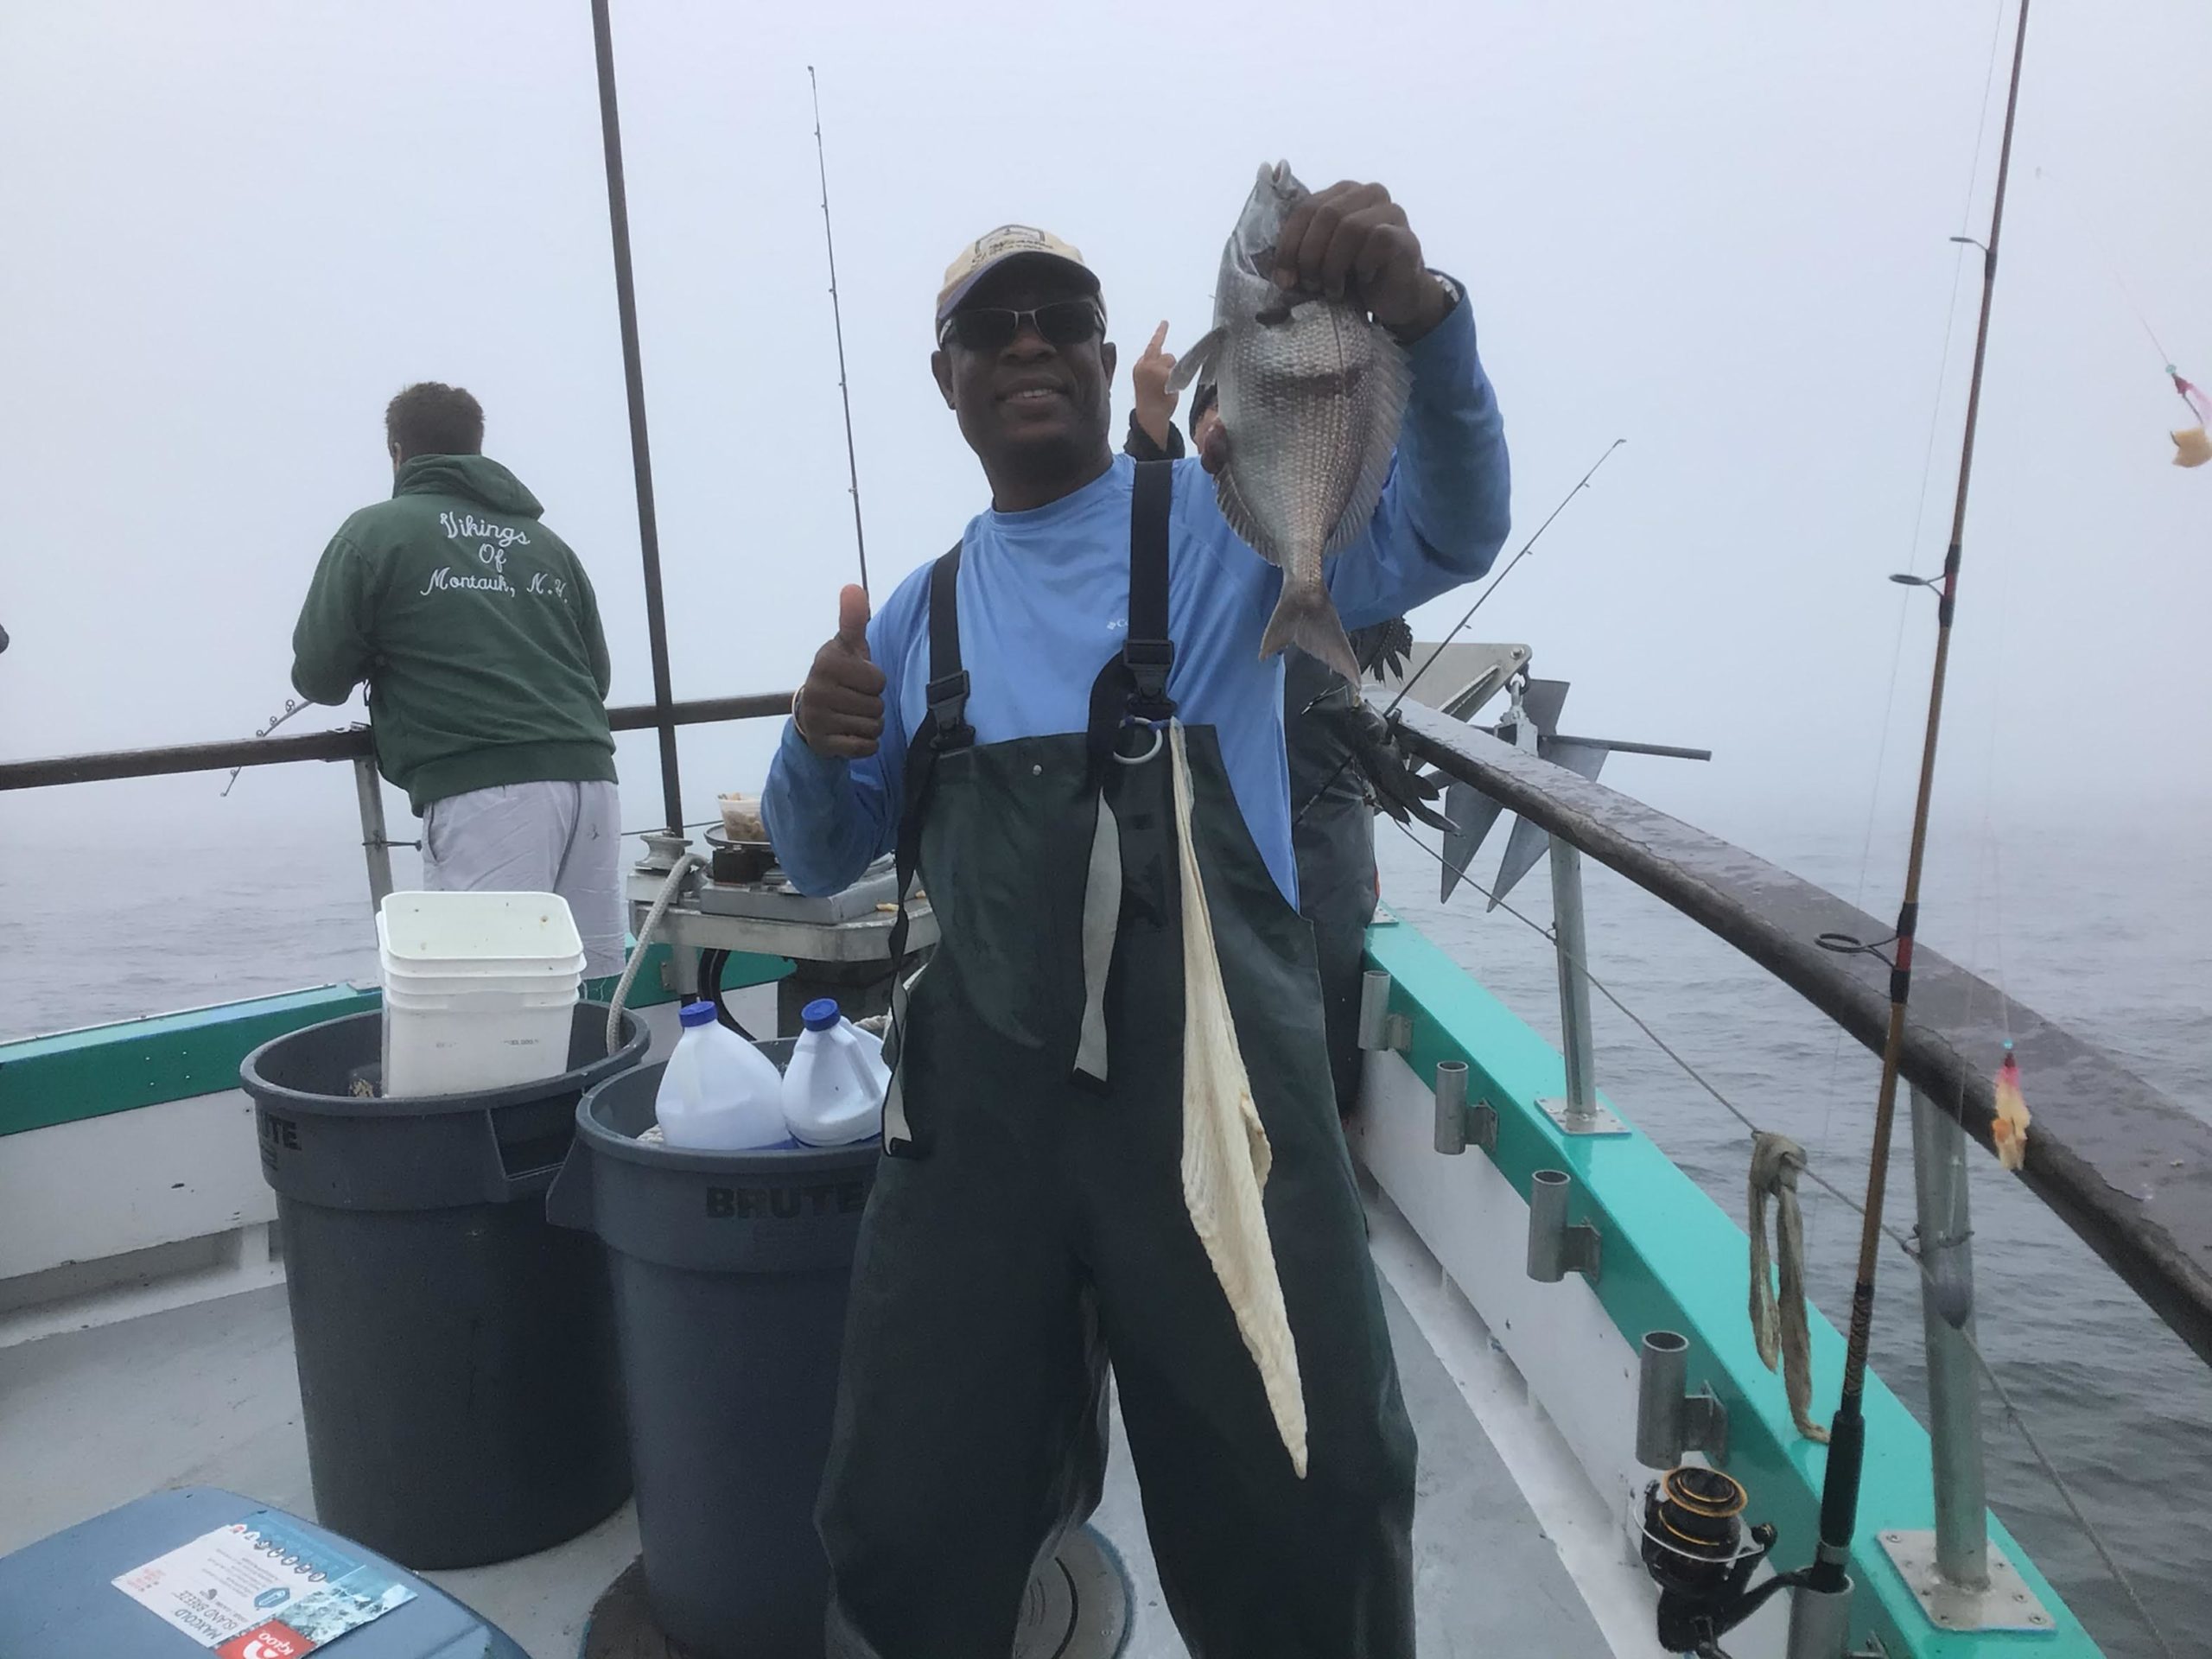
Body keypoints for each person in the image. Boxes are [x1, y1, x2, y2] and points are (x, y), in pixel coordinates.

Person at [764, 191, 1510, 1658]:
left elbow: (1452, 523)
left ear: (1115, 362)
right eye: (991, 327)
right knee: (903, 1518)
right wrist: (812, 734)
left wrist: (1425, 322)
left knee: (1318, 1490)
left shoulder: (1236, 533)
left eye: (1060, 320)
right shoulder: (917, 621)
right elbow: (814, 856)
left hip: (1223, 1120)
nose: (1028, 342)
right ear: (949, 381)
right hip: (981, 1148)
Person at [1123, 329, 1433, 1121]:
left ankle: (1318, 1170)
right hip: (1208, 831)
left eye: (1238, 413)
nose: (1219, 429)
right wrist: (1149, 429)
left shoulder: (1325, 524)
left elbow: (1400, 535)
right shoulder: (1185, 528)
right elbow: (1142, 541)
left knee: (1321, 1014)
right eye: (1207, 414)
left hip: (1323, 827)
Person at [289, 383, 625, 977]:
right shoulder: (549, 547)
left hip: (484, 791)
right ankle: (599, 1075)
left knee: (486, 997)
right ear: (477, 448)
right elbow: (595, 677)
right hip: (592, 780)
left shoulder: (374, 534)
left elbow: (319, 675)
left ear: (397, 453)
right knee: (590, 989)